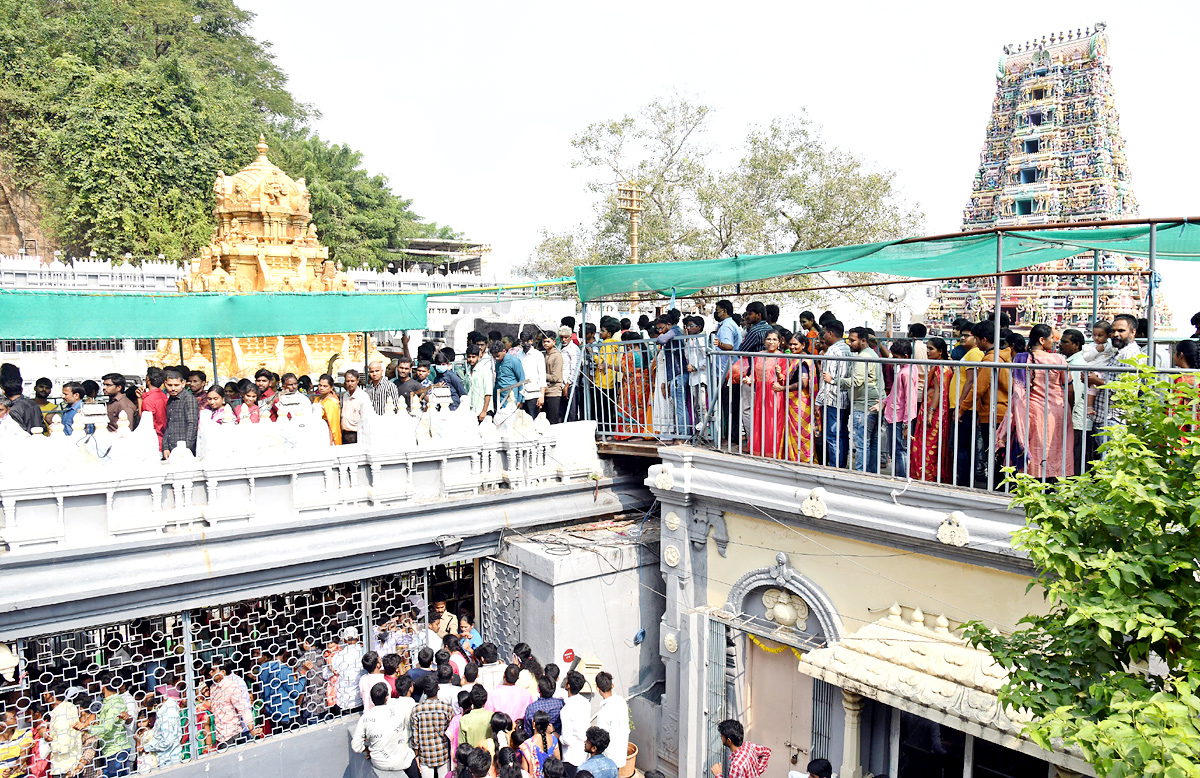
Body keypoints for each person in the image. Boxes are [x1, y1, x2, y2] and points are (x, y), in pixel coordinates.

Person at [1000, 323, 1073, 479]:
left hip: (1031, 410)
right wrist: (1069, 406)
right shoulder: (1058, 359)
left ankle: (1032, 480)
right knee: (1056, 446)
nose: (1054, 342)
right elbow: (1069, 387)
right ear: (1041, 340)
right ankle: (1052, 482)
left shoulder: (1021, 359)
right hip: (1056, 411)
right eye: (1052, 338)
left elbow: (1018, 391)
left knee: (1036, 446)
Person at [834, 327, 884, 473]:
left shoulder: (862, 357)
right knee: (872, 443)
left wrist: (834, 380)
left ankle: (860, 474)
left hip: (863, 406)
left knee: (862, 444)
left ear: (863, 340)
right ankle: (872, 474)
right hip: (874, 403)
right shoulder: (872, 353)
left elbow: (857, 381)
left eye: (852, 340)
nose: (849, 343)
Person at [352, 683, 419, 778]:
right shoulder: (398, 711)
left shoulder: (365, 718)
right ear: (387, 697)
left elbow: (356, 746)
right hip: (403, 761)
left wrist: (367, 750)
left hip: (379, 763)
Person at [911, 337, 953, 482]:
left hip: (934, 413)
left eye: (931, 349)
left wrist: (930, 412)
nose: (927, 351)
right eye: (927, 348)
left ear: (940, 352)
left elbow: (939, 391)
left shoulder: (939, 368)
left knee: (928, 446)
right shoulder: (941, 366)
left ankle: (927, 477)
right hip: (934, 410)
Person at [741, 330, 787, 457]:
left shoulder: (782, 356)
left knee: (773, 422)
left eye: (774, 339)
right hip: (761, 393)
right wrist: (749, 379)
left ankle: (774, 451)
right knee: (760, 421)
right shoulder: (759, 355)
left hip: (774, 393)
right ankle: (760, 449)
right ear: (764, 341)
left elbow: (785, 378)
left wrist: (780, 374)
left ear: (779, 341)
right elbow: (754, 374)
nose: (771, 342)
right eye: (768, 339)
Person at [815, 320, 851, 468]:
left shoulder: (832, 351)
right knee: (842, 434)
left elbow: (826, 379)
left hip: (832, 398)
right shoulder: (847, 349)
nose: (823, 337)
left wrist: (819, 400)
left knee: (832, 435)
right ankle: (841, 465)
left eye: (824, 333)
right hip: (845, 398)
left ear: (830, 333)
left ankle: (836, 466)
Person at [882, 339, 918, 478]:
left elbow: (909, 399)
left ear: (905, 356)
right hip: (897, 415)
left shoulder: (906, 373)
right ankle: (899, 476)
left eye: (896, 357)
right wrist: (884, 402)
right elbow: (897, 393)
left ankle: (901, 478)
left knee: (899, 450)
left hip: (899, 418)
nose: (894, 360)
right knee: (898, 450)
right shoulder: (908, 369)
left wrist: (906, 424)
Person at [207, 660, 260, 749]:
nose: (210, 673)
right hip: (220, 736)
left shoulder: (231, 686)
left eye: (213, 670)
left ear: (222, 672)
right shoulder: (213, 688)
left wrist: (251, 729)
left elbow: (243, 708)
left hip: (232, 734)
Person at [412, 675, 454, 778]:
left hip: (425, 756)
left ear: (424, 691)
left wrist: (416, 755)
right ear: (438, 688)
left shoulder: (416, 710)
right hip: (443, 754)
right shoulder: (446, 708)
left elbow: (415, 738)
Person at [655, 314, 690, 436]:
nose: (660, 331)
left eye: (661, 328)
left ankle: (684, 434)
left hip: (679, 372)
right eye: (658, 329)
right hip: (674, 373)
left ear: (669, 325)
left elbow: (662, 340)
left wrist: (660, 336)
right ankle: (681, 432)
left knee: (680, 405)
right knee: (677, 404)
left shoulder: (675, 331)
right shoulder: (672, 332)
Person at [713, 300, 742, 445]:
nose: (716, 313)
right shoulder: (731, 325)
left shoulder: (726, 327)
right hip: (731, 368)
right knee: (732, 405)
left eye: (717, 310)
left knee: (729, 405)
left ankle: (730, 437)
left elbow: (729, 346)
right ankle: (733, 436)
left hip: (728, 370)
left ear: (724, 311)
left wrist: (719, 345)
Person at [257, 647, 306, 729]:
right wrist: (303, 673)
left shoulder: (263, 668)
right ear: (285, 651)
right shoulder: (284, 669)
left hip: (272, 714)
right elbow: (295, 692)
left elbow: (262, 691)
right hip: (287, 715)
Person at [591, 318, 622, 432]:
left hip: (603, 380)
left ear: (609, 334)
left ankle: (605, 429)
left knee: (603, 408)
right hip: (609, 378)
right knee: (608, 407)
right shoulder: (612, 344)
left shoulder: (606, 345)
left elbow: (602, 361)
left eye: (602, 331)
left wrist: (593, 355)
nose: (600, 333)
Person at [592, 672, 628, 767]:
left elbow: (601, 739)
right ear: (612, 685)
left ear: (598, 688)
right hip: (621, 752)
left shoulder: (604, 713)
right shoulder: (621, 701)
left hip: (610, 757)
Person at [161, 369, 198, 458]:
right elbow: (168, 425)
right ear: (165, 384)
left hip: (183, 449)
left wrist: (186, 448)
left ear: (183, 384)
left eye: (176, 385)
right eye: (170, 385)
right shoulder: (170, 400)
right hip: (171, 447)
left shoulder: (188, 399)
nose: (173, 388)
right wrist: (165, 447)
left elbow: (192, 424)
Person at [143, 686, 182, 768]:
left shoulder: (166, 717)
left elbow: (167, 741)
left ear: (155, 705)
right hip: (172, 755)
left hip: (168, 759)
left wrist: (147, 747)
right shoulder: (170, 706)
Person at [557, 670, 588, 770]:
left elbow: (566, 740)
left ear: (568, 685)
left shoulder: (566, 710)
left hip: (571, 757)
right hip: (583, 754)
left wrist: (553, 732)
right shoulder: (585, 702)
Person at [332, 627, 365, 713]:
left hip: (344, 700)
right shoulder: (364, 653)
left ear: (344, 640)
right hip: (361, 699)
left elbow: (331, 672)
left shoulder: (338, 656)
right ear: (358, 638)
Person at [493, 342, 527, 425]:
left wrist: (520, 399)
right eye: (494, 357)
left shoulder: (514, 361)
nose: (496, 359)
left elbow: (521, 380)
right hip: (500, 398)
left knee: (512, 421)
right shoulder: (498, 363)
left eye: (497, 356)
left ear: (504, 351)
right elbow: (497, 380)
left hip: (512, 398)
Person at [518, 710, 559, 778]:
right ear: (548, 725)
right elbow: (557, 761)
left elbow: (525, 772)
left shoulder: (526, 745)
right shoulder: (554, 739)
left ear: (534, 724)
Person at [136, 367, 168, 447]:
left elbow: (145, 420)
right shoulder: (164, 396)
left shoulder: (149, 400)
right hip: (164, 438)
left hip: (154, 440)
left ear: (148, 379)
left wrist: (140, 399)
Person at [465, 345, 494, 423]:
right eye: (469, 357)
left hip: (483, 411)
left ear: (479, 357)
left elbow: (488, 392)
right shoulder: (468, 371)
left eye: (473, 357)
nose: (471, 359)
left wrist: (484, 411)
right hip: (472, 411)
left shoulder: (485, 370)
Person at [558, 326, 581, 423]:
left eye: (566, 337)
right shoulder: (559, 347)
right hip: (560, 383)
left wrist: (568, 385)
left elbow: (575, 368)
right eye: (561, 337)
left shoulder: (574, 349)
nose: (563, 340)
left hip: (570, 384)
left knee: (572, 412)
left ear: (570, 337)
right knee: (561, 411)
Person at [311, 373, 341, 445]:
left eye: (325, 386)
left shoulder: (331, 402)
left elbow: (332, 424)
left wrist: (330, 442)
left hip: (327, 433)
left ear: (331, 387)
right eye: (320, 385)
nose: (321, 388)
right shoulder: (318, 399)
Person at [541, 333, 564, 425]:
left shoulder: (557, 356)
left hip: (554, 391)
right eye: (544, 341)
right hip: (544, 390)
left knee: (553, 420)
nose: (545, 343)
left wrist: (541, 375)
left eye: (548, 341)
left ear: (554, 342)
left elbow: (555, 377)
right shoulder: (543, 354)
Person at [339, 369, 364, 444]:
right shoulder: (345, 395)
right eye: (347, 381)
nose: (350, 384)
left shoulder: (362, 396)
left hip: (356, 433)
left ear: (357, 381)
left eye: (352, 381)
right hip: (345, 433)